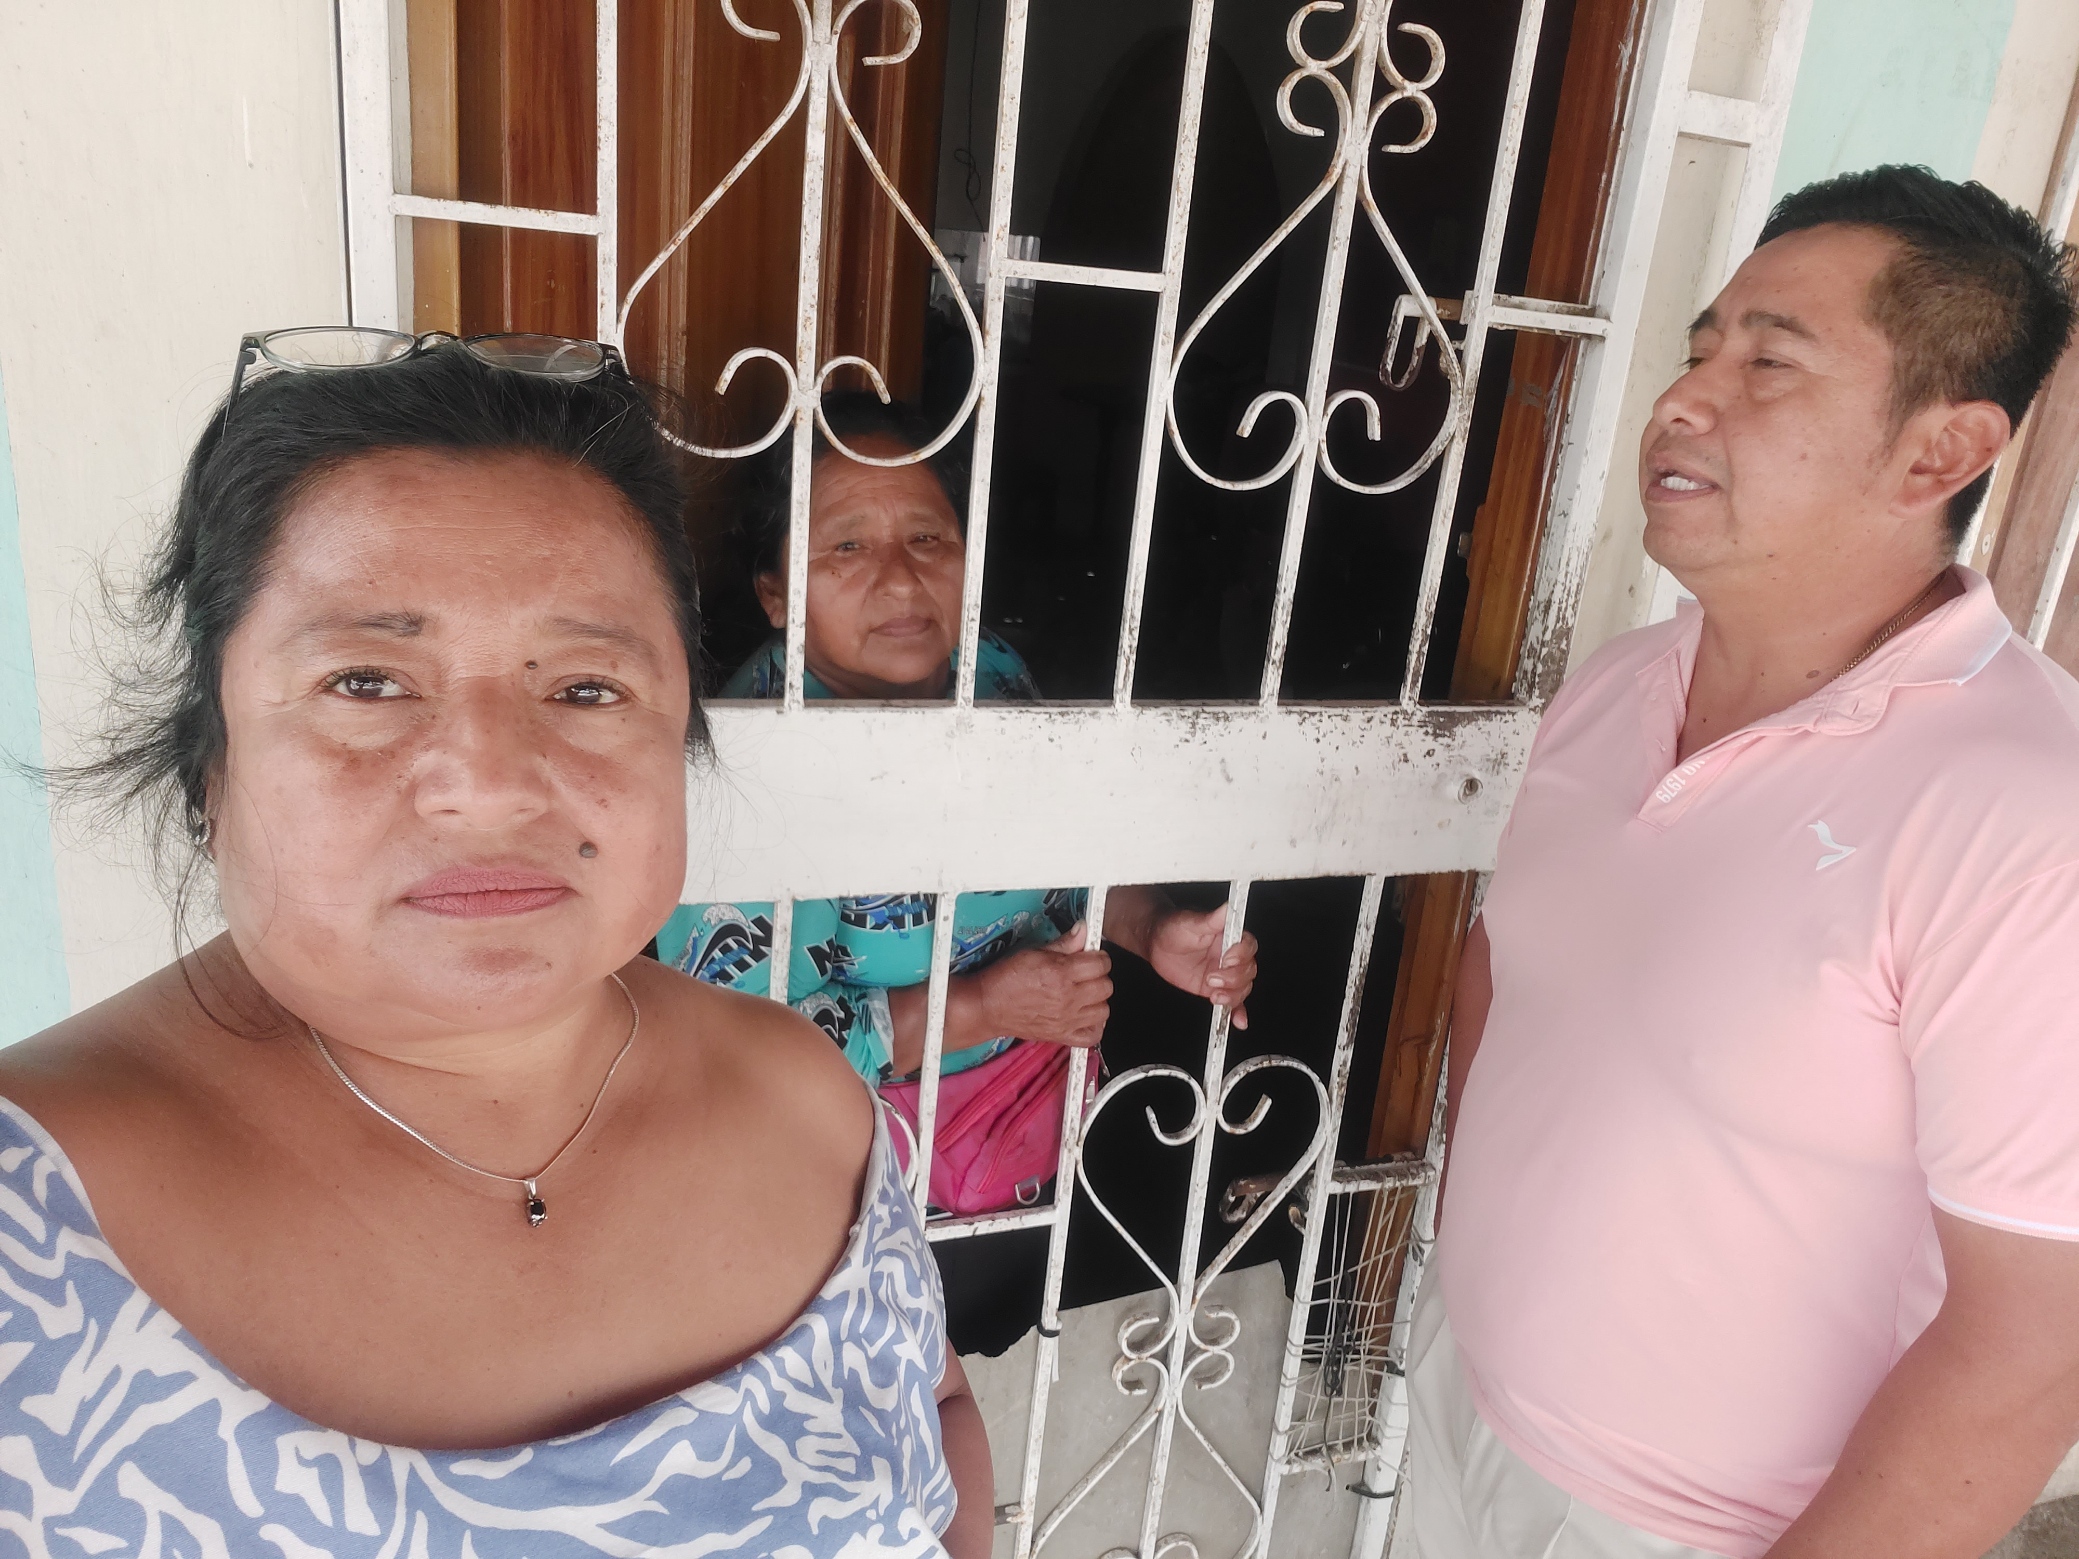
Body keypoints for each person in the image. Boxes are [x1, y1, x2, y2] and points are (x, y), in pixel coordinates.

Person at [0, 334, 990, 1557]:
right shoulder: (26, 1233)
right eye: (367, 682)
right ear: (211, 759)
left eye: (585, 688)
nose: (491, 784)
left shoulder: (805, 1095)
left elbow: (936, 1408)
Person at [1406, 166, 2079, 1558]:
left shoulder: (2024, 813)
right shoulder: (1616, 685)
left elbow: (2034, 1340)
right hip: (1464, 1407)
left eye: (1768, 363)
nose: (1682, 399)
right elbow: (1508, 970)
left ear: (1938, 453)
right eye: (1698, 347)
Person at [670, 396, 1257, 1101]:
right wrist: (984, 1007)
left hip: (1028, 1095)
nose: (900, 579)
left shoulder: (989, 669)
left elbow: (1063, 854)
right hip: (849, 1130)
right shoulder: (745, 763)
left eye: (926, 538)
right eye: (848, 547)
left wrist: (1154, 928)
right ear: (776, 593)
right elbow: (738, 1046)